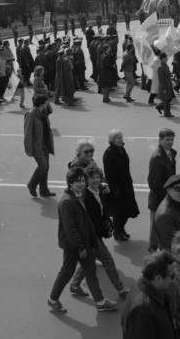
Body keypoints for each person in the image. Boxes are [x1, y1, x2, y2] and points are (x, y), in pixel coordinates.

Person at [47, 167, 118, 314]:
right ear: (70, 183)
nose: (81, 183)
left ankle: (100, 302)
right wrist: (81, 249)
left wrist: (91, 240)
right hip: (74, 246)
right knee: (67, 272)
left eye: (82, 180)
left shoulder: (78, 196)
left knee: (90, 271)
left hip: (84, 243)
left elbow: (86, 221)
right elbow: (70, 229)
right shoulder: (67, 202)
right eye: (77, 181)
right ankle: (53, 299)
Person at [69, 164, 129, 299]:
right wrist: (103, 230)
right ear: (86, 180)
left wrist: (108, 221)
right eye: (92, 178)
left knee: (89, 260)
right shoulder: (85, 196)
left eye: (97, 177)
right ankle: (120, 289)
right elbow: (89, 220)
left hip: (95, 232)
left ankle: (74, 284)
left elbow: (102, 209)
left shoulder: (98, 190)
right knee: (107, 260)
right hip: (91, 234)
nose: (96, 180)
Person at [103, 129, 139, 241]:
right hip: (117, 188)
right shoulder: (108, 153)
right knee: (118, 213)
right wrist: (115, 189)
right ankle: (117, 232)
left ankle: (121, 230)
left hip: (126, 185)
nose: (121, 140)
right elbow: (109, 174)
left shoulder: (121, 149)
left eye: (121, 137)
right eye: (118, 138)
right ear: (112, 140)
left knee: (126, 211)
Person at [147, 129, 177, 253]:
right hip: (159, 198)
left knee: (163, 226)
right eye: (167, 140)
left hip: (166, 197)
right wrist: (167, 194)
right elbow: (153, 182)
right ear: (160, 140)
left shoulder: (170, 153)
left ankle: (162, 249)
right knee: (155, 228)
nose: (170, 142)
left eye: (172, 140)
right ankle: (152, 253)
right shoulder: (158, 157)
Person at [153, 174, 180, 251]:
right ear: (168, 190)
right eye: (178, 189)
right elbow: (173, 246)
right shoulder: (165, 216)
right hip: (178, 260)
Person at [23, 95, 55, 198]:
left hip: (45, 144)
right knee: (43, 166)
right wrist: (28, 148)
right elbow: (27, 132)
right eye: (46, 102)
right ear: (41, 104)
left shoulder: (43, 112)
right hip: (37, 145)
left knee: (46, 167)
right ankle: (31, 185)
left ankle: (44, 190)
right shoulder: (31, 114)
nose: (48, 103)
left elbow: (51, 110)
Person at [155, 53, 175, 117]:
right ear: (162, 59)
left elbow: (168, 73)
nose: (167, 59)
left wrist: (170, 74)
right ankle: (167, 113)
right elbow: (161, 80)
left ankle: (160, 106)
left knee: (169, 99)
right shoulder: (160, 68)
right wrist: (163, 88)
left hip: (168, 85)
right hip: (165, 86)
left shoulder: (166, 65)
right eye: (166, 58)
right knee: (166, 100)